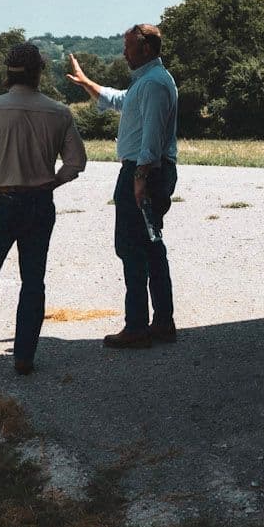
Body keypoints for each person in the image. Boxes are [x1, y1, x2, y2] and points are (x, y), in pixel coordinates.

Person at [0, 42, 87, 377]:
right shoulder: (59, 112)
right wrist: (51, 183)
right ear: (39, 72)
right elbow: (76, 162)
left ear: (8, 73)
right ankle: (24, 356)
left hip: (4, 201)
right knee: (33, 280)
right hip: (40, 203)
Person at [65, 23, 178, 348]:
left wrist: (140, 178)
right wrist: (86, 82)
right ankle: (162, 323)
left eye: (128, 47)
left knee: (133, 248)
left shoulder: (153, 84)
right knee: (151, 246)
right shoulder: (148, 81)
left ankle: (137, 327)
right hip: (147, 171)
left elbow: (152, 137)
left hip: (144, 172)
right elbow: (118, 100)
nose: (124, 53)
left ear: (146, 48)